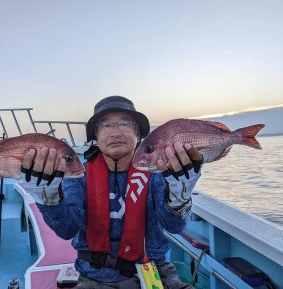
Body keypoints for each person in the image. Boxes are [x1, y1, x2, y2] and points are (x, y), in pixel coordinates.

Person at [21, 96, 203, 288]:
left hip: (156, 275)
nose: (115, 132)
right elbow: (66, 229)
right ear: (96, 137)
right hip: (94, 278)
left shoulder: (157, 174)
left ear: (138, 135)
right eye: (106, 126)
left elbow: (174, 225)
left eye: (124, 124)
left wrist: (179, 197)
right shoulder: (78, 177)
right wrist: (49, 200)